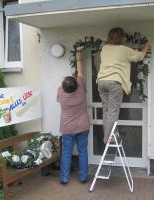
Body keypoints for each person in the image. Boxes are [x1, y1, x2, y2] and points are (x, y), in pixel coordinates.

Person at [96, 27, 150, 144]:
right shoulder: (124, 50)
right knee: (113, 112)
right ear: (122, 37)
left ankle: (110, 134)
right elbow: (140, 56)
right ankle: (107, 139)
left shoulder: (105, 48)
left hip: (101, 81)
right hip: (114, 82)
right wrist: (147, 44)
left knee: (106, 110)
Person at [57, 51, 90, 184]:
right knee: (82, 152)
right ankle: (83, 177)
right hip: (83, 127)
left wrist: (66, 84)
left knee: (66, 153)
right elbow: (80, 72)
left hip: (68, 129)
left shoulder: (61, 94)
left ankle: (64, 178)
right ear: (77, 84)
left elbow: (59, 86)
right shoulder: (81, 89)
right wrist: (78, 58)